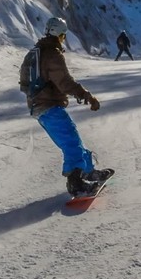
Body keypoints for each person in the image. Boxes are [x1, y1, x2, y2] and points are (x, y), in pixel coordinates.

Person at [23, 16, 113, 196]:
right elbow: (65, 82)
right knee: (71, 142)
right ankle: (76, 184)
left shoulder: (34, 53)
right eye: (63, 36)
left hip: (39, 108)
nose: (63, 40)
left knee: (72, 140)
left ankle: (89, 171)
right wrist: (87, 96)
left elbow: (24, 82)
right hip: (49, 106)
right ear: (58, 35)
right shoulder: (52, 54)